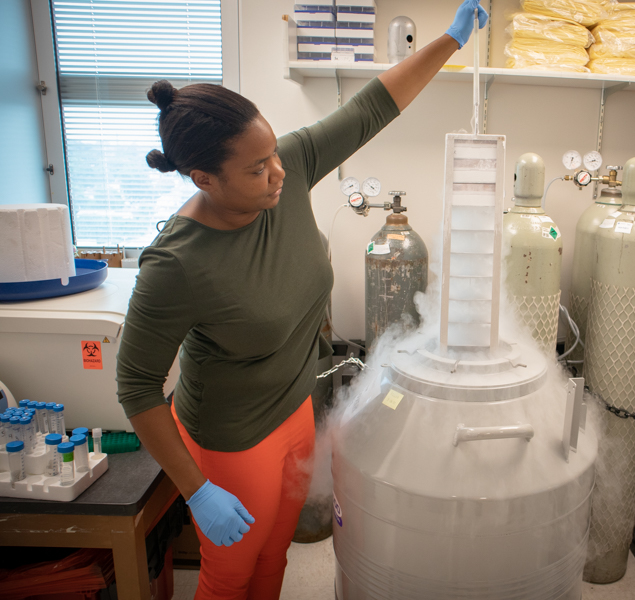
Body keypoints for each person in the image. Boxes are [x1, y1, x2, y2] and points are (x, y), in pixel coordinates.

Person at [115, 2, 488, 598]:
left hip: (293, 409)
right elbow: (135, 386)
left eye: (274, 156)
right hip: (232, 436)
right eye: (257, 168)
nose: (278, 173)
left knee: (273, 559)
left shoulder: (283, 168)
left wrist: (449, 39)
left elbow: (370, 107)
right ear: (204, 179)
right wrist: (195, 488)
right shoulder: (176, 263)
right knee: (230, 573)